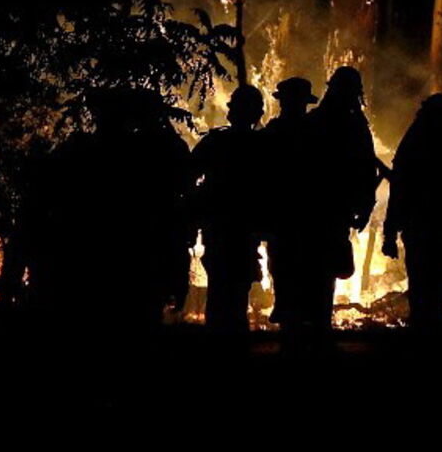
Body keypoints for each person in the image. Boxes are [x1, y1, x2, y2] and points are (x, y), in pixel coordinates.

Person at [17, 88, 192, 328]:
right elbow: (173, 215)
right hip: (132, 272)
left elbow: (33, 211)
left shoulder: (75, 154)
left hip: (85, 272)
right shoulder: (150, 157)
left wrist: (17, 267)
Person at [382, 93, 442, 327]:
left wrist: (390, 234)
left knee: (425, 287)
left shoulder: (416, 147)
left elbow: (399, 191)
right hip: (433, 230)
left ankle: (425, 334)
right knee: (433, 288)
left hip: (426, 229)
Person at [302, 67, 378, 330]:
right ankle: (316, 328)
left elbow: (367, 170)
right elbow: (367, 170)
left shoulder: (318, 121)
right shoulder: (353, 125)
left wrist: (365, 205)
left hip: (322, 211)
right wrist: (365, 206)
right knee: (321, 274)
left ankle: (311, 328)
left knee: (317, 272)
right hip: (326, 210)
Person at [191, 85, 265, 332]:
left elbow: (187, 174)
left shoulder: (217, 142)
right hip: (240, 231)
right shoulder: (262, 147)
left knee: (221, 295)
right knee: (234, 298)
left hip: (225, 230)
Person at [259, 77, 318, 328]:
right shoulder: (316, 134)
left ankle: (289, 312)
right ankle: (295, 314)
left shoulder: (272, 134)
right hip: (298, 216)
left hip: (289, 216)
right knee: (296, 267)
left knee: (286, 267)